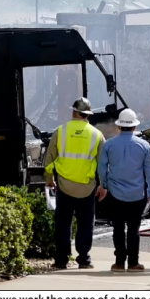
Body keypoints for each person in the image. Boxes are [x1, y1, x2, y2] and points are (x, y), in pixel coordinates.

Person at [45, 97, 106, 270]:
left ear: (73, 112)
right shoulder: (97, 135)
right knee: (86, 223)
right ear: (88, 115)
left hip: (64, 186)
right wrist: (103, 186)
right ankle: (84, 259)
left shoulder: (60, 131)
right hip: (87, 187)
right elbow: (102, 164)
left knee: (63, 223)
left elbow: (49, 160)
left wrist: (50, 180)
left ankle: (61, 260)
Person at [98, 109, 150, 272]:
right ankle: (133, 263)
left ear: (119, 127)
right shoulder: (144, 145)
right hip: (137, 195)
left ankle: (118, 263)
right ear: (134, 127)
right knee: (133, 230)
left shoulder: (109, 144)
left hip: (115, 194)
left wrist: (105, 185)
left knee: (117, 229)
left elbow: (102, 167)